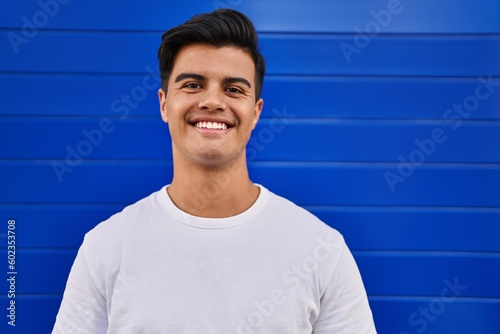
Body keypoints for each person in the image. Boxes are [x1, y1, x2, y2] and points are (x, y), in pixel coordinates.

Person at [52, 8, 377, 333]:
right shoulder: (106, 248)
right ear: (164, 104)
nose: (212, 101)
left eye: (234, 89)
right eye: (193, 85)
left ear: (255, 112)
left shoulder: (320, 250)